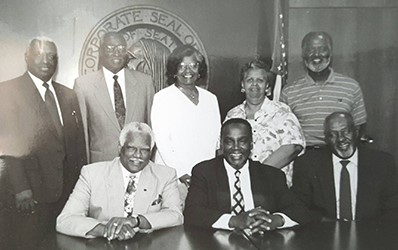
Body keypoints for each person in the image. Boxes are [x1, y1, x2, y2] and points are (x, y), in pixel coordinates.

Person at [0, 37, 86, 249]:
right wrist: (21, 188)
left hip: (66, 193)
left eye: (51, 56)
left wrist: (81, 189)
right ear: (26, 57)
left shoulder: (68, 94)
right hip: (29, 195)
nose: (45, 60)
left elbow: (77, 145)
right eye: (39, 54)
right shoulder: (7, 91)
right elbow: (8, 145)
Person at [56, 122, 182, 240]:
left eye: (144, 150)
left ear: (151, 152)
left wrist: (136, 221)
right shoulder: (91, 174)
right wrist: (105, 230)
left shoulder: (166, 175)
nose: (138, 155)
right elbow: (65, 219)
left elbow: (175, 215)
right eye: (131, 148)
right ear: (120, 148)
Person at [184, 118, 311, 233]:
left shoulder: (272, 175)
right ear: (221, 144)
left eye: (242, 141)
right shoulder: (204, 172)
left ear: (251, 144)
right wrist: (234, 221)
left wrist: (274, 220)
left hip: (263, 241)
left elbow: (299, 210)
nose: (236, 148)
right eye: (229, 142)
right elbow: (192, 212)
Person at [292, 112, 398, 221]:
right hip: (325, 232)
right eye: (333, 134)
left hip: (370, 232)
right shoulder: (307, 164)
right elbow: (299, 207)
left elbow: (393, 208)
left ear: (356, 132)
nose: (340, 139)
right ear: (326, 139)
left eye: (345, 132)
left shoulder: (382, 163)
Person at [151, 44, 221, 202]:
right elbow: (163, 143)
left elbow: (215, 142)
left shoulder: (211, 99)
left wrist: (208, 174)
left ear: (199, 70)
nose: (187, 71)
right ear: (174, 71)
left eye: (193, 65)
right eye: (181, 66)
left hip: (204, 178)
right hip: (174, 177)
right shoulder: (163, 98)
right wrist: (182, 173)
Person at [74, 32, 155, 163]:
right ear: (100, 52)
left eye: (121, 48)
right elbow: (82, 134)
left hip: (137, 163)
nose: (116, 52)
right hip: (101, 165)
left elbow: (151, 130)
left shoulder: (145, 83)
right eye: (110, 48)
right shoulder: (83, 85)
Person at [225, 59, 305, 187]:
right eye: (249, 80)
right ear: (242, 85)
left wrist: (256, 175)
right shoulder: (232, 115)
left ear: (267, 86)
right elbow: (223, 149)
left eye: (260, 80)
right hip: (239, 187)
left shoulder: (281, 111)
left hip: (274, 187)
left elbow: (293, 146)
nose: (254, 84)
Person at [280, 31, 367, 147]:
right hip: (304, 157)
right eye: (310, 50)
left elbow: (358, 128)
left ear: (330, 53)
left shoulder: (351, 87)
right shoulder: (289, 92)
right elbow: (283, 133)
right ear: (303, 54)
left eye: (322, 49)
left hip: (340, 154)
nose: (316, 54)